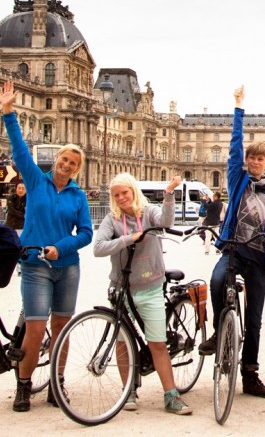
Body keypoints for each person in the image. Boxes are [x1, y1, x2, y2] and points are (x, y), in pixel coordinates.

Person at [0, 81, 94, 412]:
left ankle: (57, 382)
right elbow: (20, 149)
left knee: (62, 330)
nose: (67, 165)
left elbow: (86, 233)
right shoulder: (35, 180)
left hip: (66, 268)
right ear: (57, 159)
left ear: (77, 170)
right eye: (64, 159)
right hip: (35, 266)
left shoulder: (78, 196)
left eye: (73, 164)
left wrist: (61, 247)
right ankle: (24, 386)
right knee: (37, 329)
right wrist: (9, 111)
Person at [197, 86, 265, 398]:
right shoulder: (237, 179)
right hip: (233, 249)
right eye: (252, 158)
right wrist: (238, 108)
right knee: (217, 279)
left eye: (261, 158)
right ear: (247, 161)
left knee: (256, 321)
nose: (256, 162)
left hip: (259, 255)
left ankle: (250, 375)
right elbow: (234, 147)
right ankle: (221, 331)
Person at [93, 173, 193, 414]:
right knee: (121, 342)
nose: (121, 198)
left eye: (125, 192)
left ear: (134, 191)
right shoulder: (111, 219)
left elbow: (167, 222)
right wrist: (128, 239)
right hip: (122, 288)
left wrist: (169, 193)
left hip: (150, 287)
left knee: (157, 343)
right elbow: (97, 248)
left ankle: (171, 395)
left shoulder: (148, 212)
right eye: (116, 195)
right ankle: (129, 390)